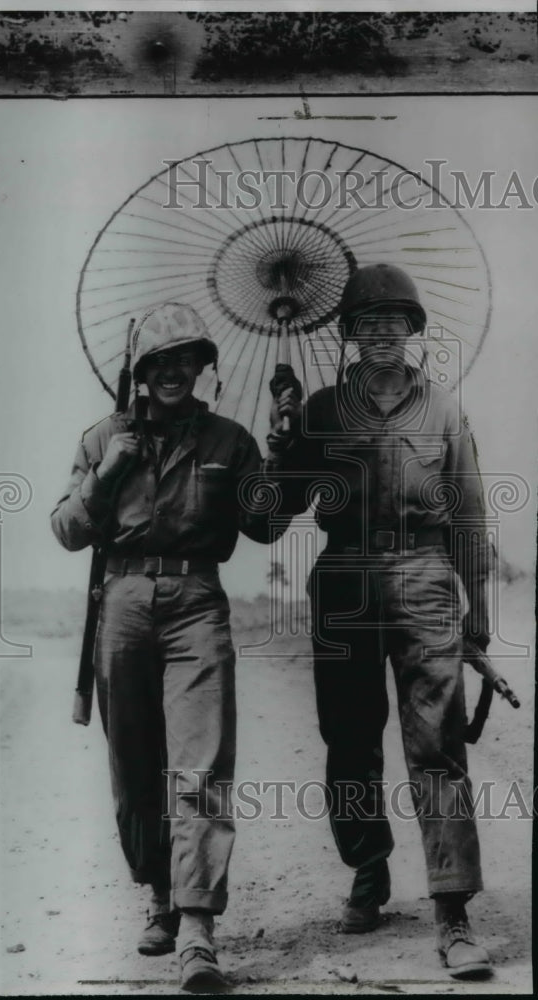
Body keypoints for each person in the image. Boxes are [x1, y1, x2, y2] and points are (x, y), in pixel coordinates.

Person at [267, 264, 493, 979]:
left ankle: (453, 911)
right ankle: (368, 869)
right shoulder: (321, 412)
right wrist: (280, 449)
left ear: (414, 331)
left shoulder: (446, 412)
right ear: (351, 335)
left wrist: (477, 624)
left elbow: (470, 518)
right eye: (369, 323)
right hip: (343, 582)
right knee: (348, 738)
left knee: (438, 745)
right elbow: (273, 520)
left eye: (397, 321)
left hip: (425, 578)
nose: (383, 334)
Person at [51, 302, 270, 993]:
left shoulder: (231, 441)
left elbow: (264, 525)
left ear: (202, 368)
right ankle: (160, 896)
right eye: (159, 362)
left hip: (196, 606)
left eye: (186, 360)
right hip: (120, 607)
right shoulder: (102, 438)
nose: (174, 372)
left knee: (199, 769)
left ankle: (199, 928)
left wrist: (289, 453)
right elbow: (66, 530)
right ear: (139, 372)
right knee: (134, 769)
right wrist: (108, 472)